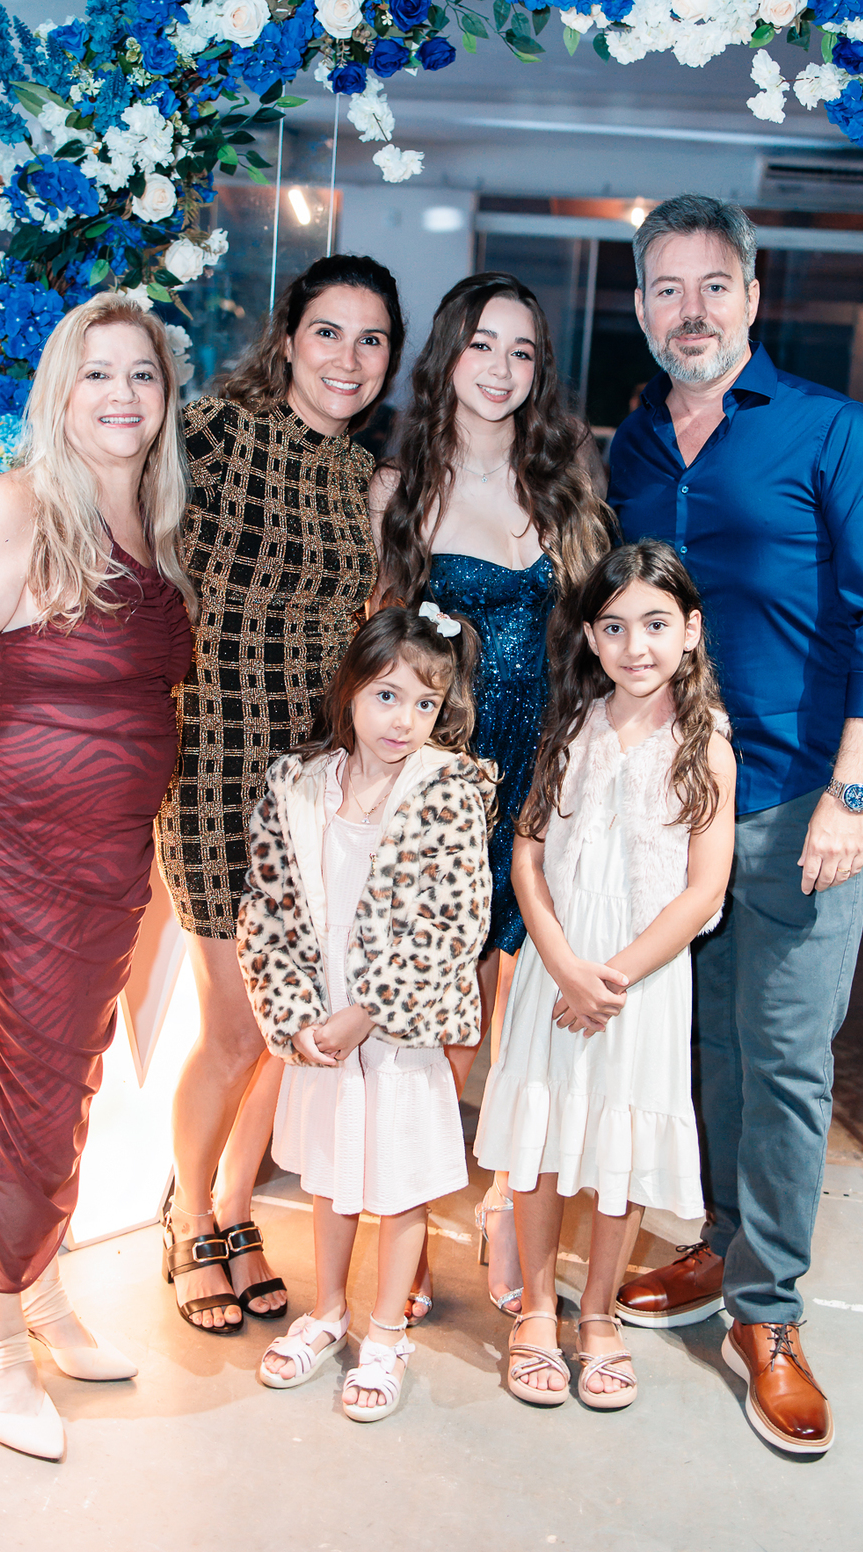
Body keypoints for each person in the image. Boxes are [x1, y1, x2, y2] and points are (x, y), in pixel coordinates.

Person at [0, 255, 404, 1335]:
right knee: (235, 1023)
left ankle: (234, 1211)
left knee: (288, 1022)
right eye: (327, 331)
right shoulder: (211, 435)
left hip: (315, 779)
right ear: (287, 339)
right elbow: (88, 451)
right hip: (213, 763)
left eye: (371, 339)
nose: (348, 357)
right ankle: (187, 1219)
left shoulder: (363, 478)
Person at [605, 195, 863, 1455]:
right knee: (709, 1048)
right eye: (667, 288)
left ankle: (771, 1315)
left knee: (785, 1061)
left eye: (713, 285)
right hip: (679, 804)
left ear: (752, 293)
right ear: (641, 305)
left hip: (797, 800)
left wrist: (854, 795)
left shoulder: (834, 433)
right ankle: (723, 1244)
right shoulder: (634, 443)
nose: (691, 311)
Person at [0, 295, 195, 1459]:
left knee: (63, 1085)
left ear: (166, 397)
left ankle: (43, 1294)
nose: (121, 395)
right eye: (95, 374)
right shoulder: (11, 511)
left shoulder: (157, 522)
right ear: (59, 394)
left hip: (108, 862)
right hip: (10, 857)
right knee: (24, 1097)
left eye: (142, 375)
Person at [372, 271, 612, 1318]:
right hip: (445, 790)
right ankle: (411, 1221)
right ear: (447, 356)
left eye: (521, 351)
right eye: (482, 345)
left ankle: (507, 1215)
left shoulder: (566, 484)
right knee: (447, 1020)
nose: (501, 369)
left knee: (527, 1021)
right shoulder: (398, 490)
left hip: (548, 779)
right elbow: (373, 655)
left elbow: (605, 644)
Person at [475, 541, 735, 1410]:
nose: (636, 646)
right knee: (543, 1142)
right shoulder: (569, 727)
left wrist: (609, 981)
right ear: (590, 638)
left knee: (618, 1147)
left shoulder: (706, 746)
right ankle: (536, 1312)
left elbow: (703, 892)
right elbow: (527, 853)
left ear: (690, 631)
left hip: (640, 983)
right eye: (615, 627)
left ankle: (597, 1314)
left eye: (656, 625)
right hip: (558, 969)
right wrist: (558, 960)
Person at [237, 605, 494, 1421]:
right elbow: (267, 907)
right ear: (349, 689)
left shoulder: (448, 790)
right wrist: (295, 1017)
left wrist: (367, 1013)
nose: (403, 720)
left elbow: (452, 923)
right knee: (331, 1176)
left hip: (399, 1034)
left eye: (425, 703)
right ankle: (328, 1313)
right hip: (321, 1025)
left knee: (401, 1183)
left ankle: (386, 1332)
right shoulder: (297, 786)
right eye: (387, 696)